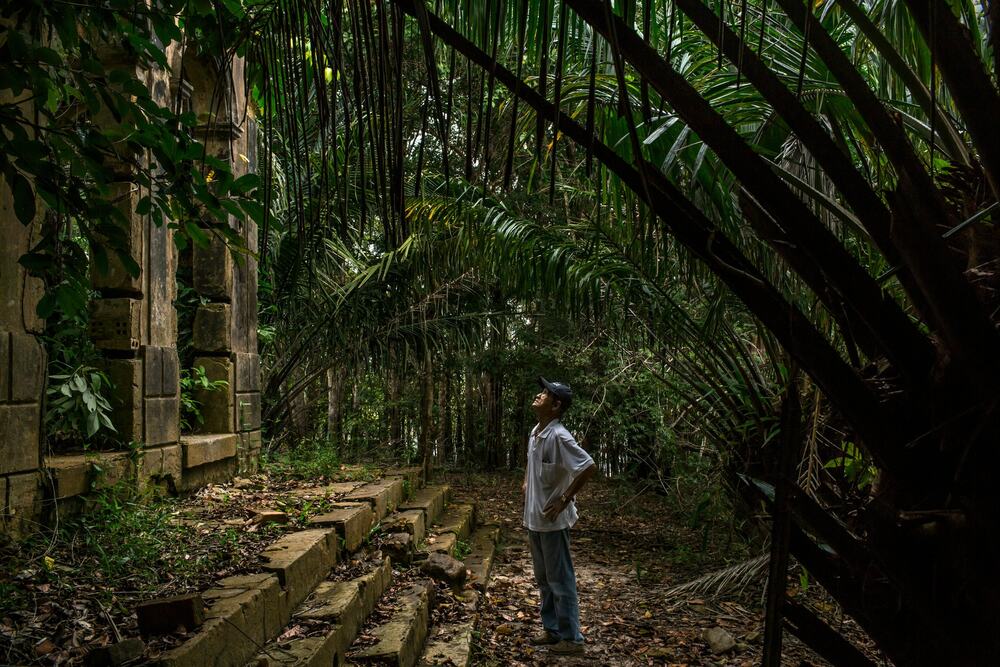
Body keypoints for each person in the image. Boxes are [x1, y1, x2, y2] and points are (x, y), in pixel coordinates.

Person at [522, 377, 597, 655]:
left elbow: (587, 467)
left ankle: (572, 638)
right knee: (544, 579)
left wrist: (564, 500)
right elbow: (533, 461)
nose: (539, 395)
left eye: (545, 394)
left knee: (560, 580)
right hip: (535, 519)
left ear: (556, 405)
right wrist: (527, 480)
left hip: (553, 522)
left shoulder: (560, 436)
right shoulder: (536, 431)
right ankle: (553, 630)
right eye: (541, 390)